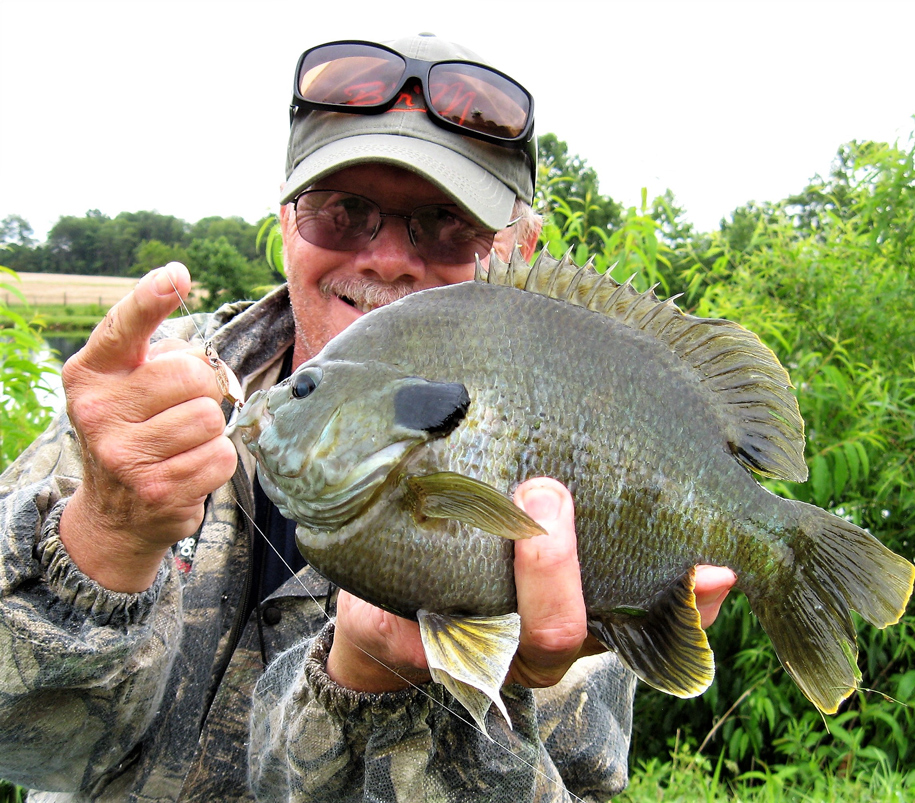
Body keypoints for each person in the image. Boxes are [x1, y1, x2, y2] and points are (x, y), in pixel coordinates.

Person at [0, 34, 735, 801]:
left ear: (521, 248)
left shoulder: (576, 451)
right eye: (344, 212)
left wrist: (396, 688)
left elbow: (570, 788)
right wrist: (103, 537)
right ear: (288, 221)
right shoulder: (143, 409)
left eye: (449, 223)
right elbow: (19, 738)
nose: (386, 258)